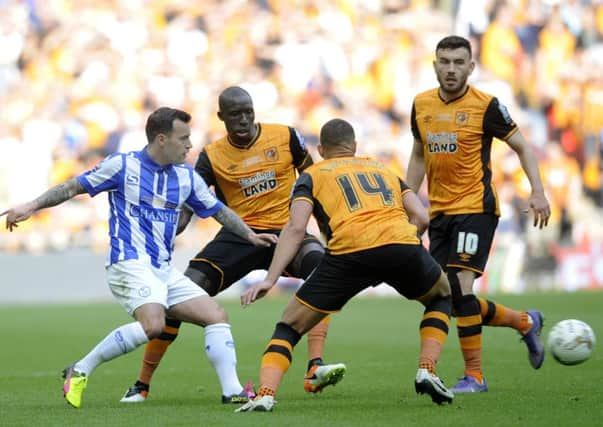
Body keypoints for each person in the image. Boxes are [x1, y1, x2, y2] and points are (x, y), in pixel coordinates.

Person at [1, 107, 278, 408]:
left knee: (216, 316)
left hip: (162, 268)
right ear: (162, 139)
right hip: (129, 262)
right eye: (183, 138)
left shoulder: (186, 177)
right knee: (154, 325)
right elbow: (72, 187)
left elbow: (218, 210)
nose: (189, 145)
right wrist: (32, 205)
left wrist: (249, 235)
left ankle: (232, 390)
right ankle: (80, 370)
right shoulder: (122, 166)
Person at [120, 86, 335, 403]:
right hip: (240, 236)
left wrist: (328, 226)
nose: (244, 119)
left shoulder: (286, 136)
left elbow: (316, 179)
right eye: (236, 114)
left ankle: (315, 365)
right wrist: (166, 230)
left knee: (321, 268)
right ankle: (142, 384)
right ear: (222, 117)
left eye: (248, 111)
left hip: (284, 232)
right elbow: (189, 205)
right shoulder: (212, 155)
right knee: (181, 291)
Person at [235, 118, 455, 413]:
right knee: (442, 296)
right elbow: (422, 216)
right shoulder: (381, 168)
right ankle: (427, 369)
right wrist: (407, 244)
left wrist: (270, 278)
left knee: (289, 326)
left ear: (322, 149)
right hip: (400, 244)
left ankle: (264, 394)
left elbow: (296, 228)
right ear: (354, 147)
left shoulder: (312, 174)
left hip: (350, 251)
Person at [406, 35, 551, 393]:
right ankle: (524, 322)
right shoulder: (421, 104)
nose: (451, 69)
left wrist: (537, 191)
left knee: (459, 286)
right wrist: (408, 203)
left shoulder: (486, 106)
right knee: (444, 296)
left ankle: (475, 376)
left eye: (459, 62)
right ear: (435, 64)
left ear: (471, 67)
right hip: (438, 214)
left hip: (476, 209)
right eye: (445, 61)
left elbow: (522, 146)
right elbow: (419, 155)